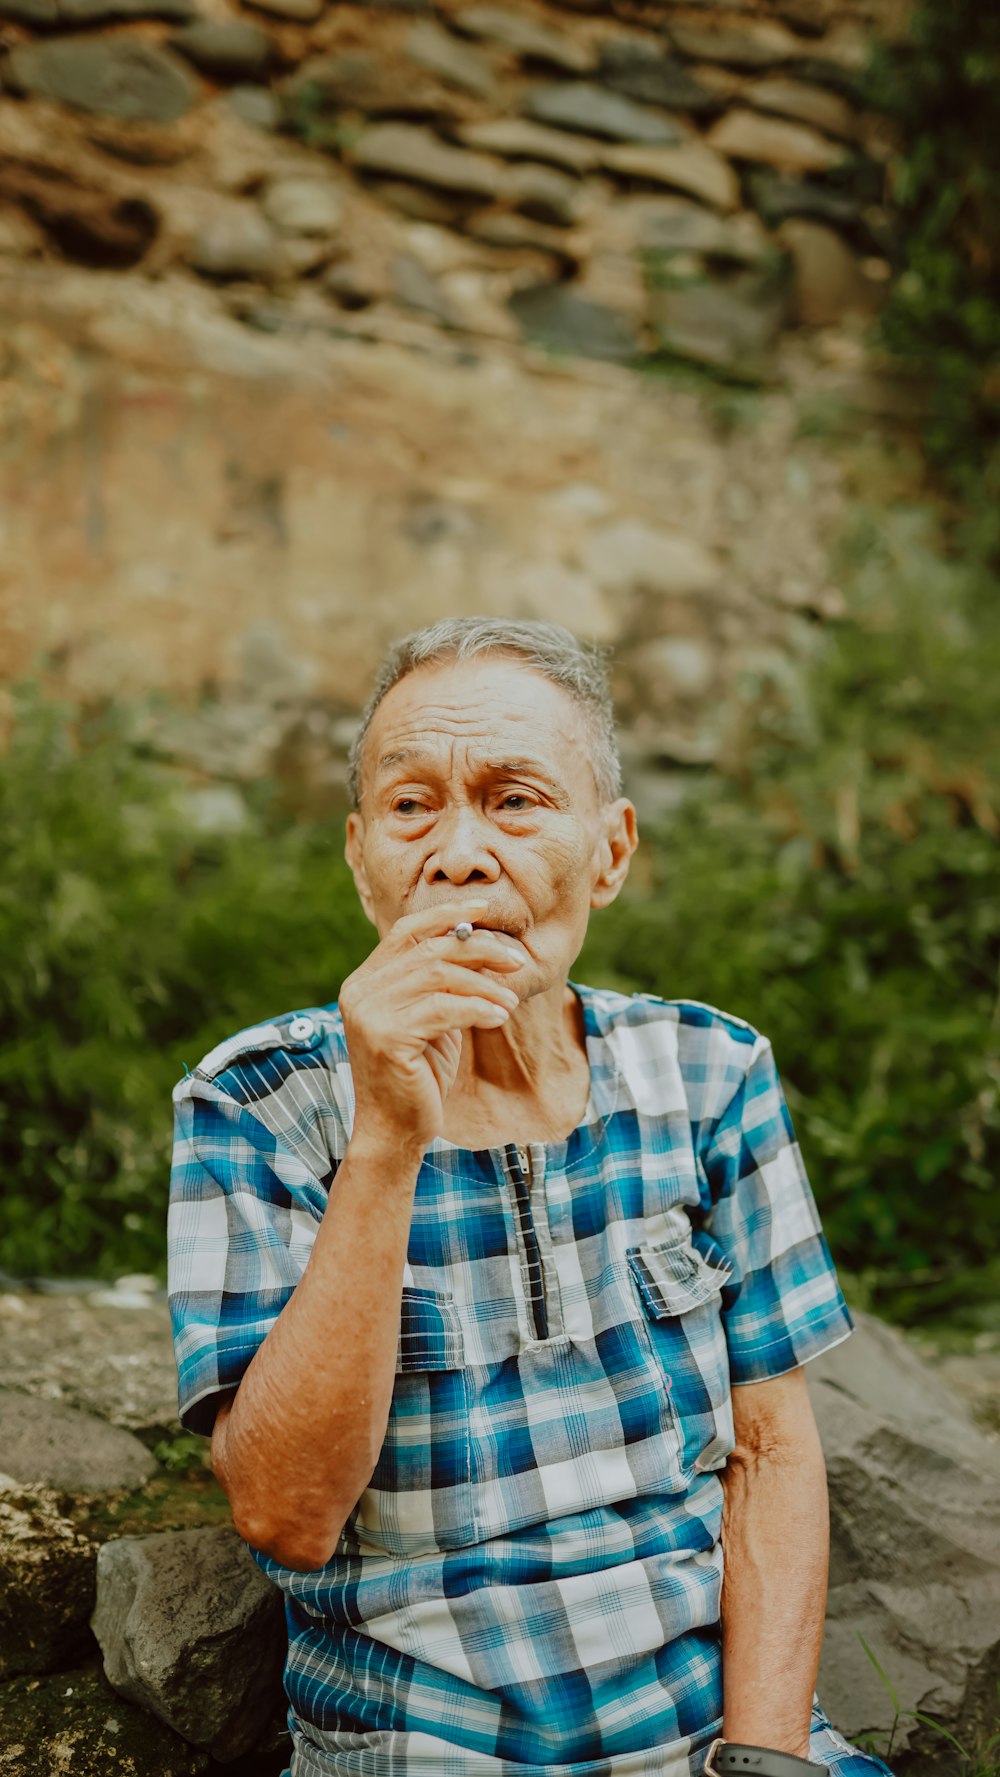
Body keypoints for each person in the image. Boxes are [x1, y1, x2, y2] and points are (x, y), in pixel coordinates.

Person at [167, 618, 894, 1777]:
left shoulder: (709, 1074)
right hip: (428, 1750)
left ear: (608, 852)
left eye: (514, 801)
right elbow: (285, 1515)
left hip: (720, 1740)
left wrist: (763, 1758)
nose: (458, 853)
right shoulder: (253, 1103)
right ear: (361, 857)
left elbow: (772, 1453)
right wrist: (389, 1141)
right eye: (413, 807)